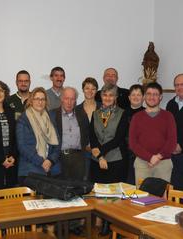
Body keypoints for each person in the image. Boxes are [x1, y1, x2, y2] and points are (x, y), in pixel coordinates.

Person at [90, 83, 128, 236]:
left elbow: (118, 138)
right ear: (101, 96)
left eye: (111, 95)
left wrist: (102, 153)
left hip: (116, 159)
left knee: (113, 196)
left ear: (116, 97)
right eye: (105, 95)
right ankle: (102, 220)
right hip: (97, 160)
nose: (107, 98)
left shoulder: (123, 113)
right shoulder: (95, 113)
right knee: (100, 194)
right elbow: (92, 137)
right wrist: (99, 157)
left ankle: (109, 223)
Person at [129, 82, 177, 185]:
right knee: (142, 198)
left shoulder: (168, 116)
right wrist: (150, 157)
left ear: (160, 97)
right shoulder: (137, 117)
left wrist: (158, 157)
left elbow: (172, 142)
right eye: (149, 94)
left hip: (163, 163)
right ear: (145, 97)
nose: (152, 97)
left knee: (162, 199)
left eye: (155, 94)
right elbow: (133, 143)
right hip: (142, 163)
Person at [16, 87, 60, 185]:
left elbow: (57, 144)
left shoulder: (50, 118)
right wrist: (41, 162)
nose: (40, 102)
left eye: (42, 99)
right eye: (37, 99)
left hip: (49, 170)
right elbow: (22, 146)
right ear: (31, 101)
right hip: (30, 171)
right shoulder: (24, 119)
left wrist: (50, 160)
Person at [52, 87, 89, 181]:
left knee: (78, 188)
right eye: (66, 98)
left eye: (72, 99)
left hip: (78, 158)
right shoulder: (53, 114)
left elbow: (86, 134)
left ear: (75, 101)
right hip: (59, 158)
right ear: (61, 99)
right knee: (59, 188)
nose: (69, 102)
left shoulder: (81, 114)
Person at [76, 77, 101, 181]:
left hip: (100, 152)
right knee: (84, 181)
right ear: (83, 89)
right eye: (87, 88)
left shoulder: (102, 108)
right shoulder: (76, 109)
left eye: (93, 88)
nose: (90, 91)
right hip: (82, 153)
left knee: (99, 182)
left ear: (96, 90)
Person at [125, 84, 145, 184]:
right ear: (129, 97)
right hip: (124, 154)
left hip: (141, 155)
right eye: (133, 95)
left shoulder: (147, 113)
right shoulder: (122, 113)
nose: (136, 97)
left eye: (139, 95)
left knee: (138, 184)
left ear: (143, 97)